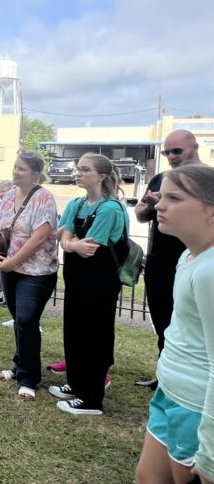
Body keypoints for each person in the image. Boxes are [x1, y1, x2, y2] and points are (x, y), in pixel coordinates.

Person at [135, 165, 214, 484]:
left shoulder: (209, 271)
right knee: (147, 477)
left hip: (195, 407)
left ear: (211, 211)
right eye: (161, 196)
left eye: (174, 198)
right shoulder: (189, 257)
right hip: (170, 392)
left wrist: (209, 451)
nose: (159, 206)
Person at [49, 153, 129, 415]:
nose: (78, 173)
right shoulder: (77, 203)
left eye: (85, 170)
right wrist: (70, 243)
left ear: (102, 176)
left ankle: (91, 398)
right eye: (77, 169)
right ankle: (76, 384)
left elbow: (89, 249)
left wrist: (69, 242)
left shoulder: (108, 208)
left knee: (94, 336)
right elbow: (63, 235)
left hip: (99, 283)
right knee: (75, 331)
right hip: (77, 279)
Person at [135, 129, 202, 390]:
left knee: (193, 323)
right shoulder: (161, 179)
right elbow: (140, 215)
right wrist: (151, 205)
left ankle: (190, 381)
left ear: (194, 147)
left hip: (195, 258)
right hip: (160, 262)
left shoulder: (206, 179)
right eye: (167, 152)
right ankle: (164, 375)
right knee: (163, 321)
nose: (172, 156)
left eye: (177, 151)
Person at [0, 151, 58, 402]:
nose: (15, 172)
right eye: (15, 167)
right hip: (10, 267)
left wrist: (12, 263)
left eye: (21, 169)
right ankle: (19, 366)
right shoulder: (8, 195)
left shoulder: (44, 198)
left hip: (36, 272)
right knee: (18, 319)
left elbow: (39, 237)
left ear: (35, 174)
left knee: (28, 320)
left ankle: (29, 378)